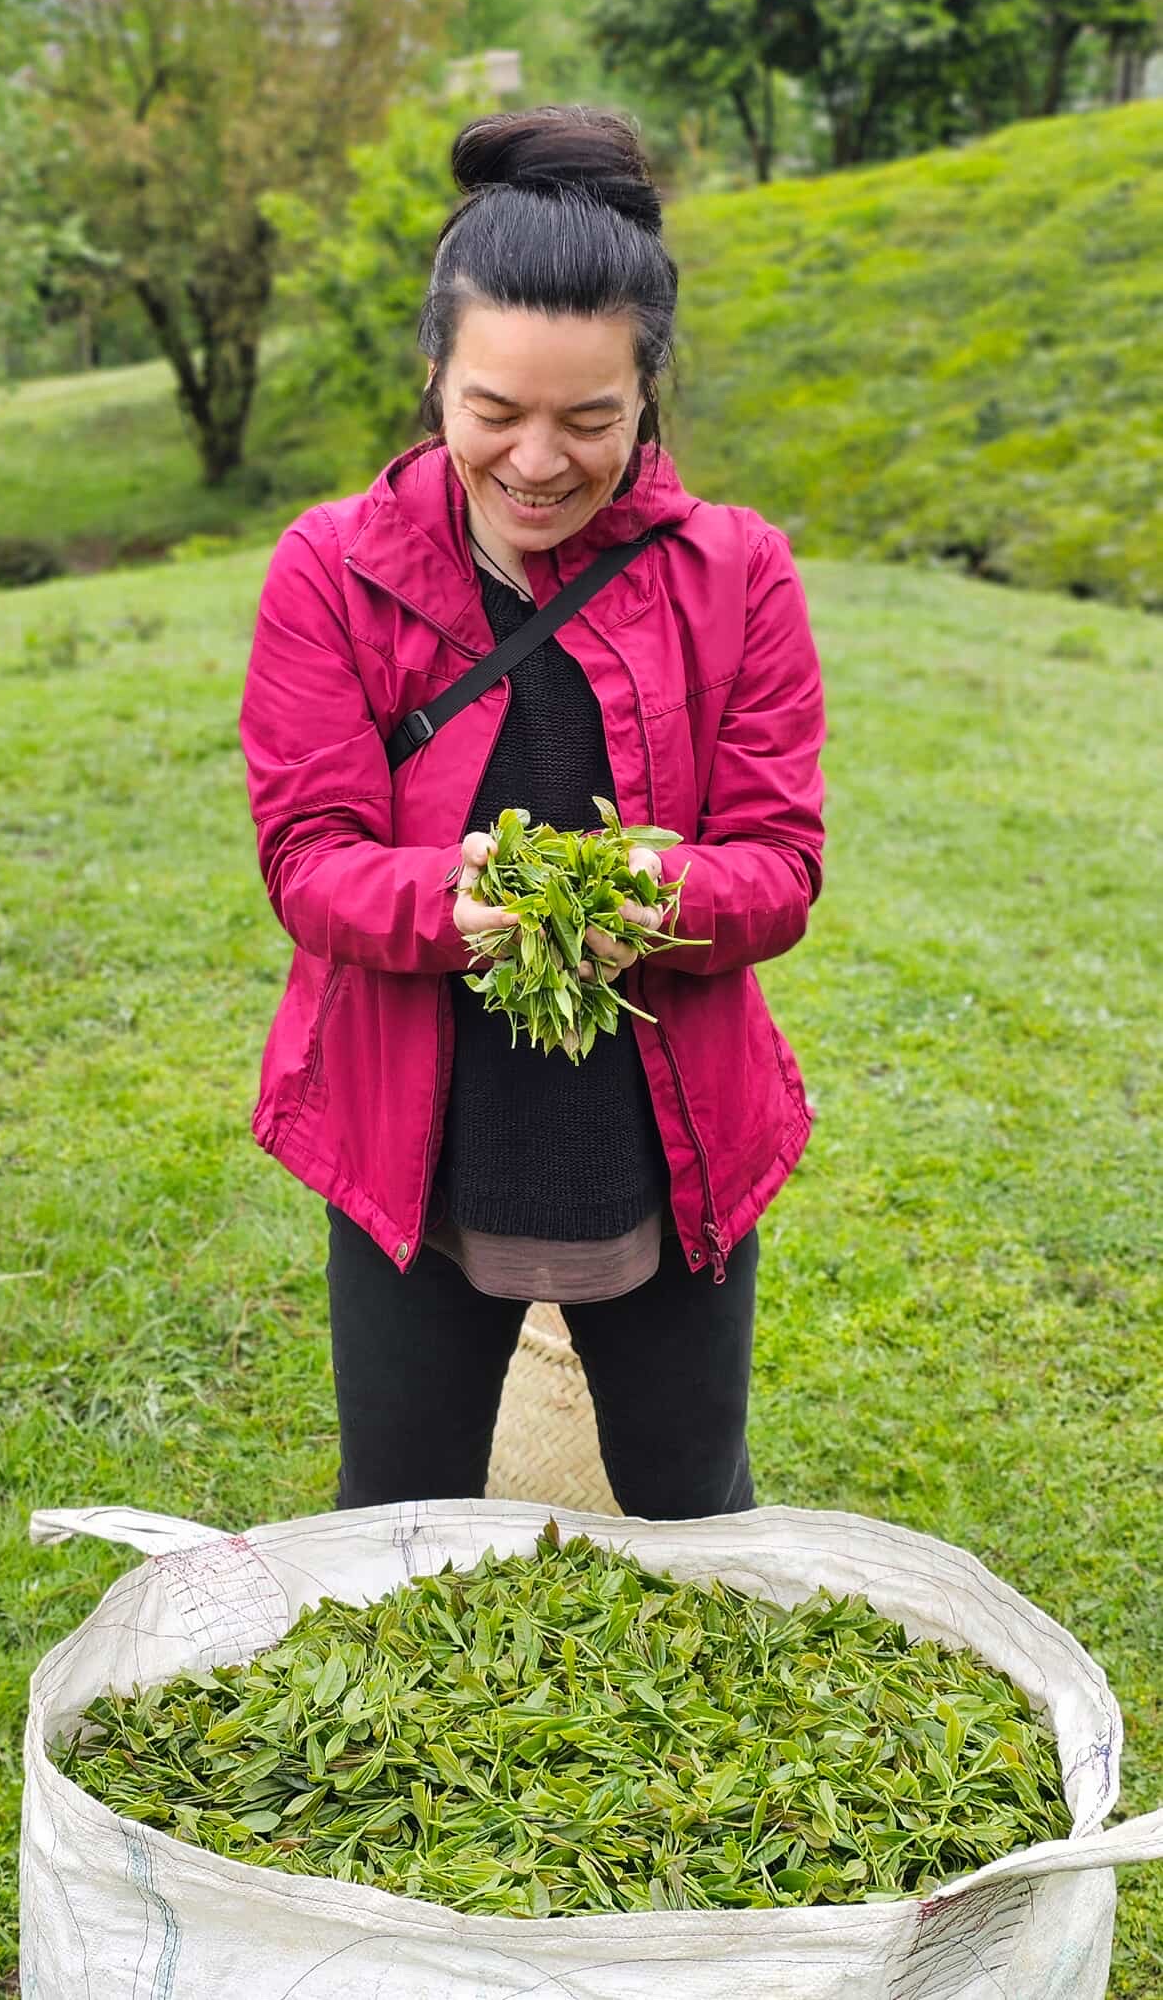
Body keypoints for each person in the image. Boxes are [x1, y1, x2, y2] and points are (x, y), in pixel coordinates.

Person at [239, 106, 825, 1521]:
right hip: (413, 1135)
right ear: (435, 377)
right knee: (401, 1512)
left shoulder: (736, 571)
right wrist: (451, 902)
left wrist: (656, 893)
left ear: (648, 397)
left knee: (693, 1502)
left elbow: (781, 864)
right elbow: (309, 862)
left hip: (663, 1131)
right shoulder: (331, 569)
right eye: (494, 412)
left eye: (591, 419)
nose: (539, 462)